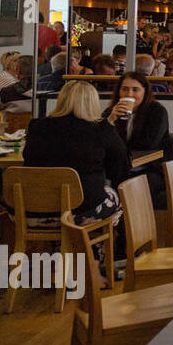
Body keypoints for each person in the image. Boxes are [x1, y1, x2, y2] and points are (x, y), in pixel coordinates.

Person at [24, 81, 129, 233]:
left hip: (31, 213)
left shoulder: (36, 126)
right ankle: (95, 251)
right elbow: (121, 168)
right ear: (93, 103)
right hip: (79, 214)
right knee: (115, 198)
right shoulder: (101, 130)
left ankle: (59, 249)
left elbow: (27, 157)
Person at [105, 70, 170, 206]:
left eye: (135, 90)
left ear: (144, 92)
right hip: (120, 168)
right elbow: (100, 141)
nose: (129, 94)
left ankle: (132, 225)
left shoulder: (156, 111)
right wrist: (110, 120)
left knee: (132, 186)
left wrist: (118, 149)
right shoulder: (111, 112)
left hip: (150, 168)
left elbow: (149, 144)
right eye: (125, 89)